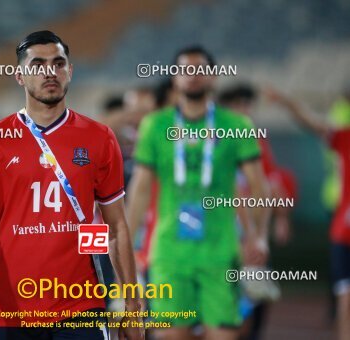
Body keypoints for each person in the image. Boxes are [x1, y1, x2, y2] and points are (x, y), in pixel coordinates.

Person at [0, 30, 144, 340]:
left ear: (70, 71)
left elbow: (116, 228)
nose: (50, 72)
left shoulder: (99, 138)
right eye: (37, 64)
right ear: (20, 76)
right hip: (11, 309)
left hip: (82, 306)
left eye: (59, 63)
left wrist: (132, 305)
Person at [127, 46, 270, 340]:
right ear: (174, 78)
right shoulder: (155, 126)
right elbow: (140, 189)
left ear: (213, 76)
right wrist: (127, 242)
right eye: (184, 70)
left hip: (220, 252)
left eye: (199, 69)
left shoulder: (236, 125)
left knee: (224, 335)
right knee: (170, 335)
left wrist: (258, 236)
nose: (192, 76)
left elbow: (258, 187)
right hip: (169, 252)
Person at [263, 88, 350, 340]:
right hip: (345, 233)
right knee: (346, 298)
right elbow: (313, 123)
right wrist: (287, 102)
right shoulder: (344, 137)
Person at [218, 83, 298, 340]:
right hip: (221, 229)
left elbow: (270, 181)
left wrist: (280, 219)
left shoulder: (255, 140)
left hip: (248, 227)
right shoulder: (213, 139)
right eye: (239, 104)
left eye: (247, 105)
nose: (245, 110)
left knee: (256, 296)